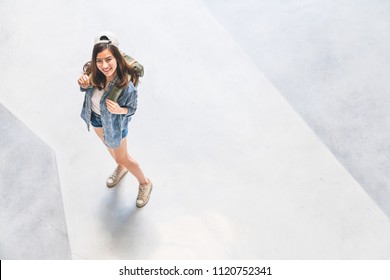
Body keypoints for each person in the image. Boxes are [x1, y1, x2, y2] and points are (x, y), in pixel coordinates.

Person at [77, 31, 152, 208]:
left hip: (115, 126)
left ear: (117, 57)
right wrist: (83, 84)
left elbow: (132, 109)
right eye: (99, 60)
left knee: (123, 158)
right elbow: (87, 90)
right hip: (96, 119)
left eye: (109, 59)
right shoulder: (93, 74)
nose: (104, 65)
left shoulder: (125, 86)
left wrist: (120, 109)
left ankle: (145, 183)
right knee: (109, 146)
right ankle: (121, 167)